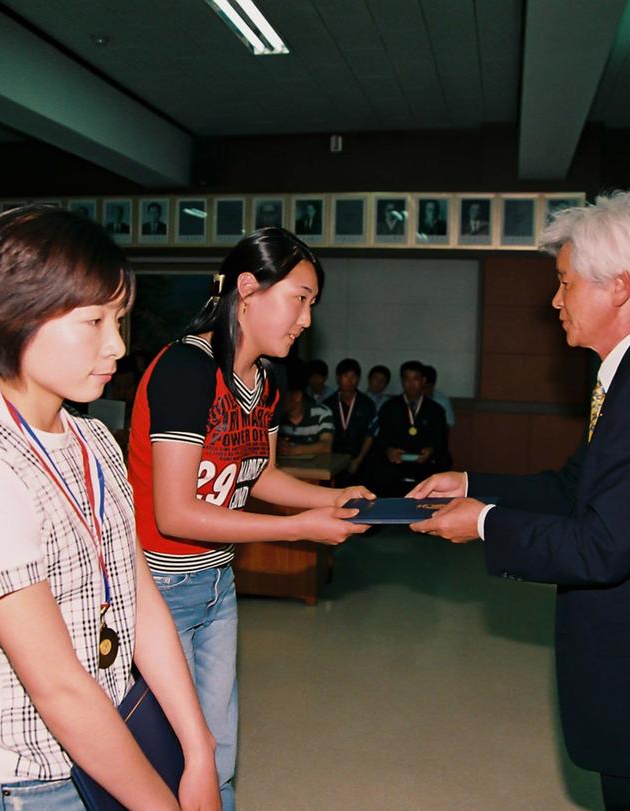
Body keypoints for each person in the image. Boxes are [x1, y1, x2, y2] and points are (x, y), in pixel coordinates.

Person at [409, 190, 630, 811]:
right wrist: (470, 484)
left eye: (565, 284)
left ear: (618, 287)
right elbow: (574, 488)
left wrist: (486, 524)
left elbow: (603, 545)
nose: (555, 302)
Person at [0, 204, 219, 810]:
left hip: (119, 746)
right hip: (35, 783)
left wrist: (200, 749)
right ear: (16, 320)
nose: (117, 345)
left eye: (121, 320)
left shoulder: (93, 440)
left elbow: (138, 596)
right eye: (94, 321)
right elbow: (58, 688)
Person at [126, 227, 372, 810]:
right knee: (176, 755)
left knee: (219, 751)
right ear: (248, 289)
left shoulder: (265, 378)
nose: (307, 319)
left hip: (216, 582)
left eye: (312, 304)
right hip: (158, 585)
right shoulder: (187, 369)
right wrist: (298, 529)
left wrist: (329, 499)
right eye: (301, 298)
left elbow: (255, 472)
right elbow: (176, 511)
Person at [367, 360, 447, 495]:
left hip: (424, 463)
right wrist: (389, 450)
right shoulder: (389, 407)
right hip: (395, 462)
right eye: (407, 380)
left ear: (423, 380)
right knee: (377, 469)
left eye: (415, 379)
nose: (411, 384)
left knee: (440, 466)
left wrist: (431, 450)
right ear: (402, 381)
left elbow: (441, 440)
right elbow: (381, 437)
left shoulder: (436, 410)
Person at [321, 358, 377, 483]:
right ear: (338, 378)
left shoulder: (367, 404)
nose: (350, 381)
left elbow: (370, 434)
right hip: (332, 461)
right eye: (345, 376)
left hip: (360, 461)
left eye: (354, 377)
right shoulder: (328, 404)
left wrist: (359, 459)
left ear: (358, 379)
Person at [277, 366, 334, 457]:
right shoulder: (276, 416)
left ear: (297, 396)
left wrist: (294, 450)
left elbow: (326, 446)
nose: (277, 398)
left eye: (282, 394)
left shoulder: (322, 414)